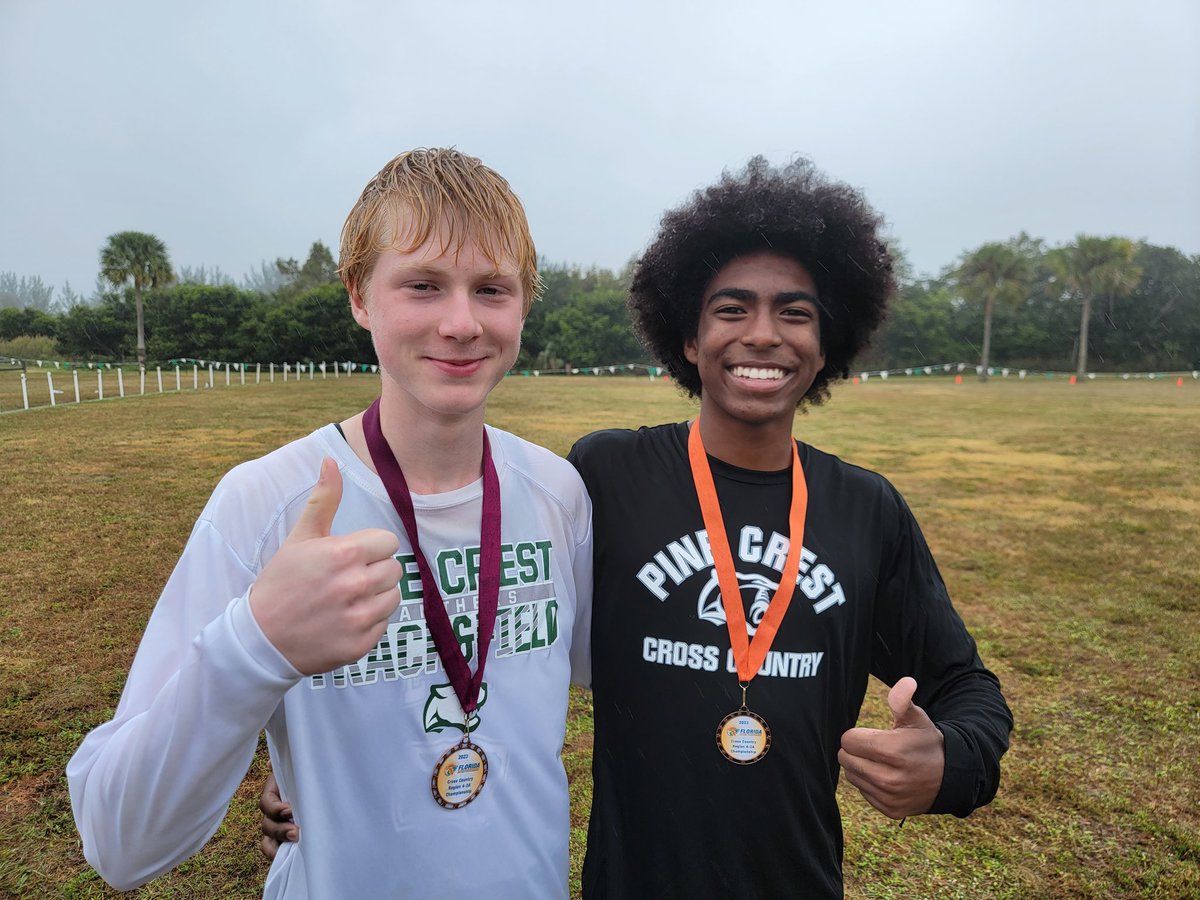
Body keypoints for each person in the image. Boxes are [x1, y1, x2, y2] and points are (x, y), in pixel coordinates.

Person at [262, 156, 1013, 897]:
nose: (762, 334)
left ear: (828, 344)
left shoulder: (864, 509)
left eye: (795, 312)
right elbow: (483, 628)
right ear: (687, 338)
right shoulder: (607, 476)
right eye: (731, 309)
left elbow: (966, 684)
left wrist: (955, 763)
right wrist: (311, 777)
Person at [68, 148, 593, 898]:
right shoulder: (264, 503)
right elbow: (119, 843)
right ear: (359, 296)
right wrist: (256, 646)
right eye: (422, 285)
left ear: (523, 304)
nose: (460, 322)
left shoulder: (557, 493)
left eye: (491, 289)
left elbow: (608, 673)